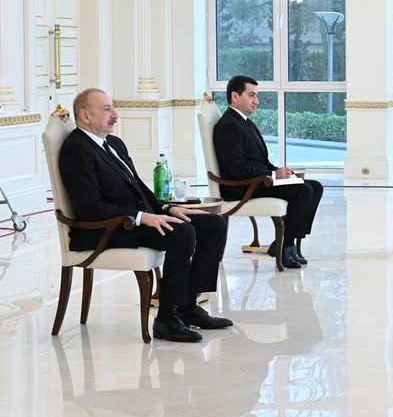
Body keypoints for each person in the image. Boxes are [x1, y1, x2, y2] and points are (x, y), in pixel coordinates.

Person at [58, 88, 231, 343]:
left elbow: (138, 187)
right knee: (182, 233)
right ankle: (165, 320)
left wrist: (166, 208)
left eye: (112, 107)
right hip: (105, 229)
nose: (115, 114)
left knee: (214, 224)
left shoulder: (113, 143)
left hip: (131, 221)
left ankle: (187, 307)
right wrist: (142, 217)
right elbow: (90, 209)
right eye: (106, 109)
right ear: (84, 115)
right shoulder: (76, 150)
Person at [213, 75, 323, 269]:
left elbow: (259, 160)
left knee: (315, 187)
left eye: (257, 95)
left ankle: (285, 243)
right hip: (242, 187)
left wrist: (278, 171)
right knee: (303, 190)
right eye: (251, 95)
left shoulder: (243, 122)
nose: (257, 101)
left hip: (256, 181)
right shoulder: (229, 126)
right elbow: (236, 169)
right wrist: (272, 176)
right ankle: (285, 247)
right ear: (235, 96)